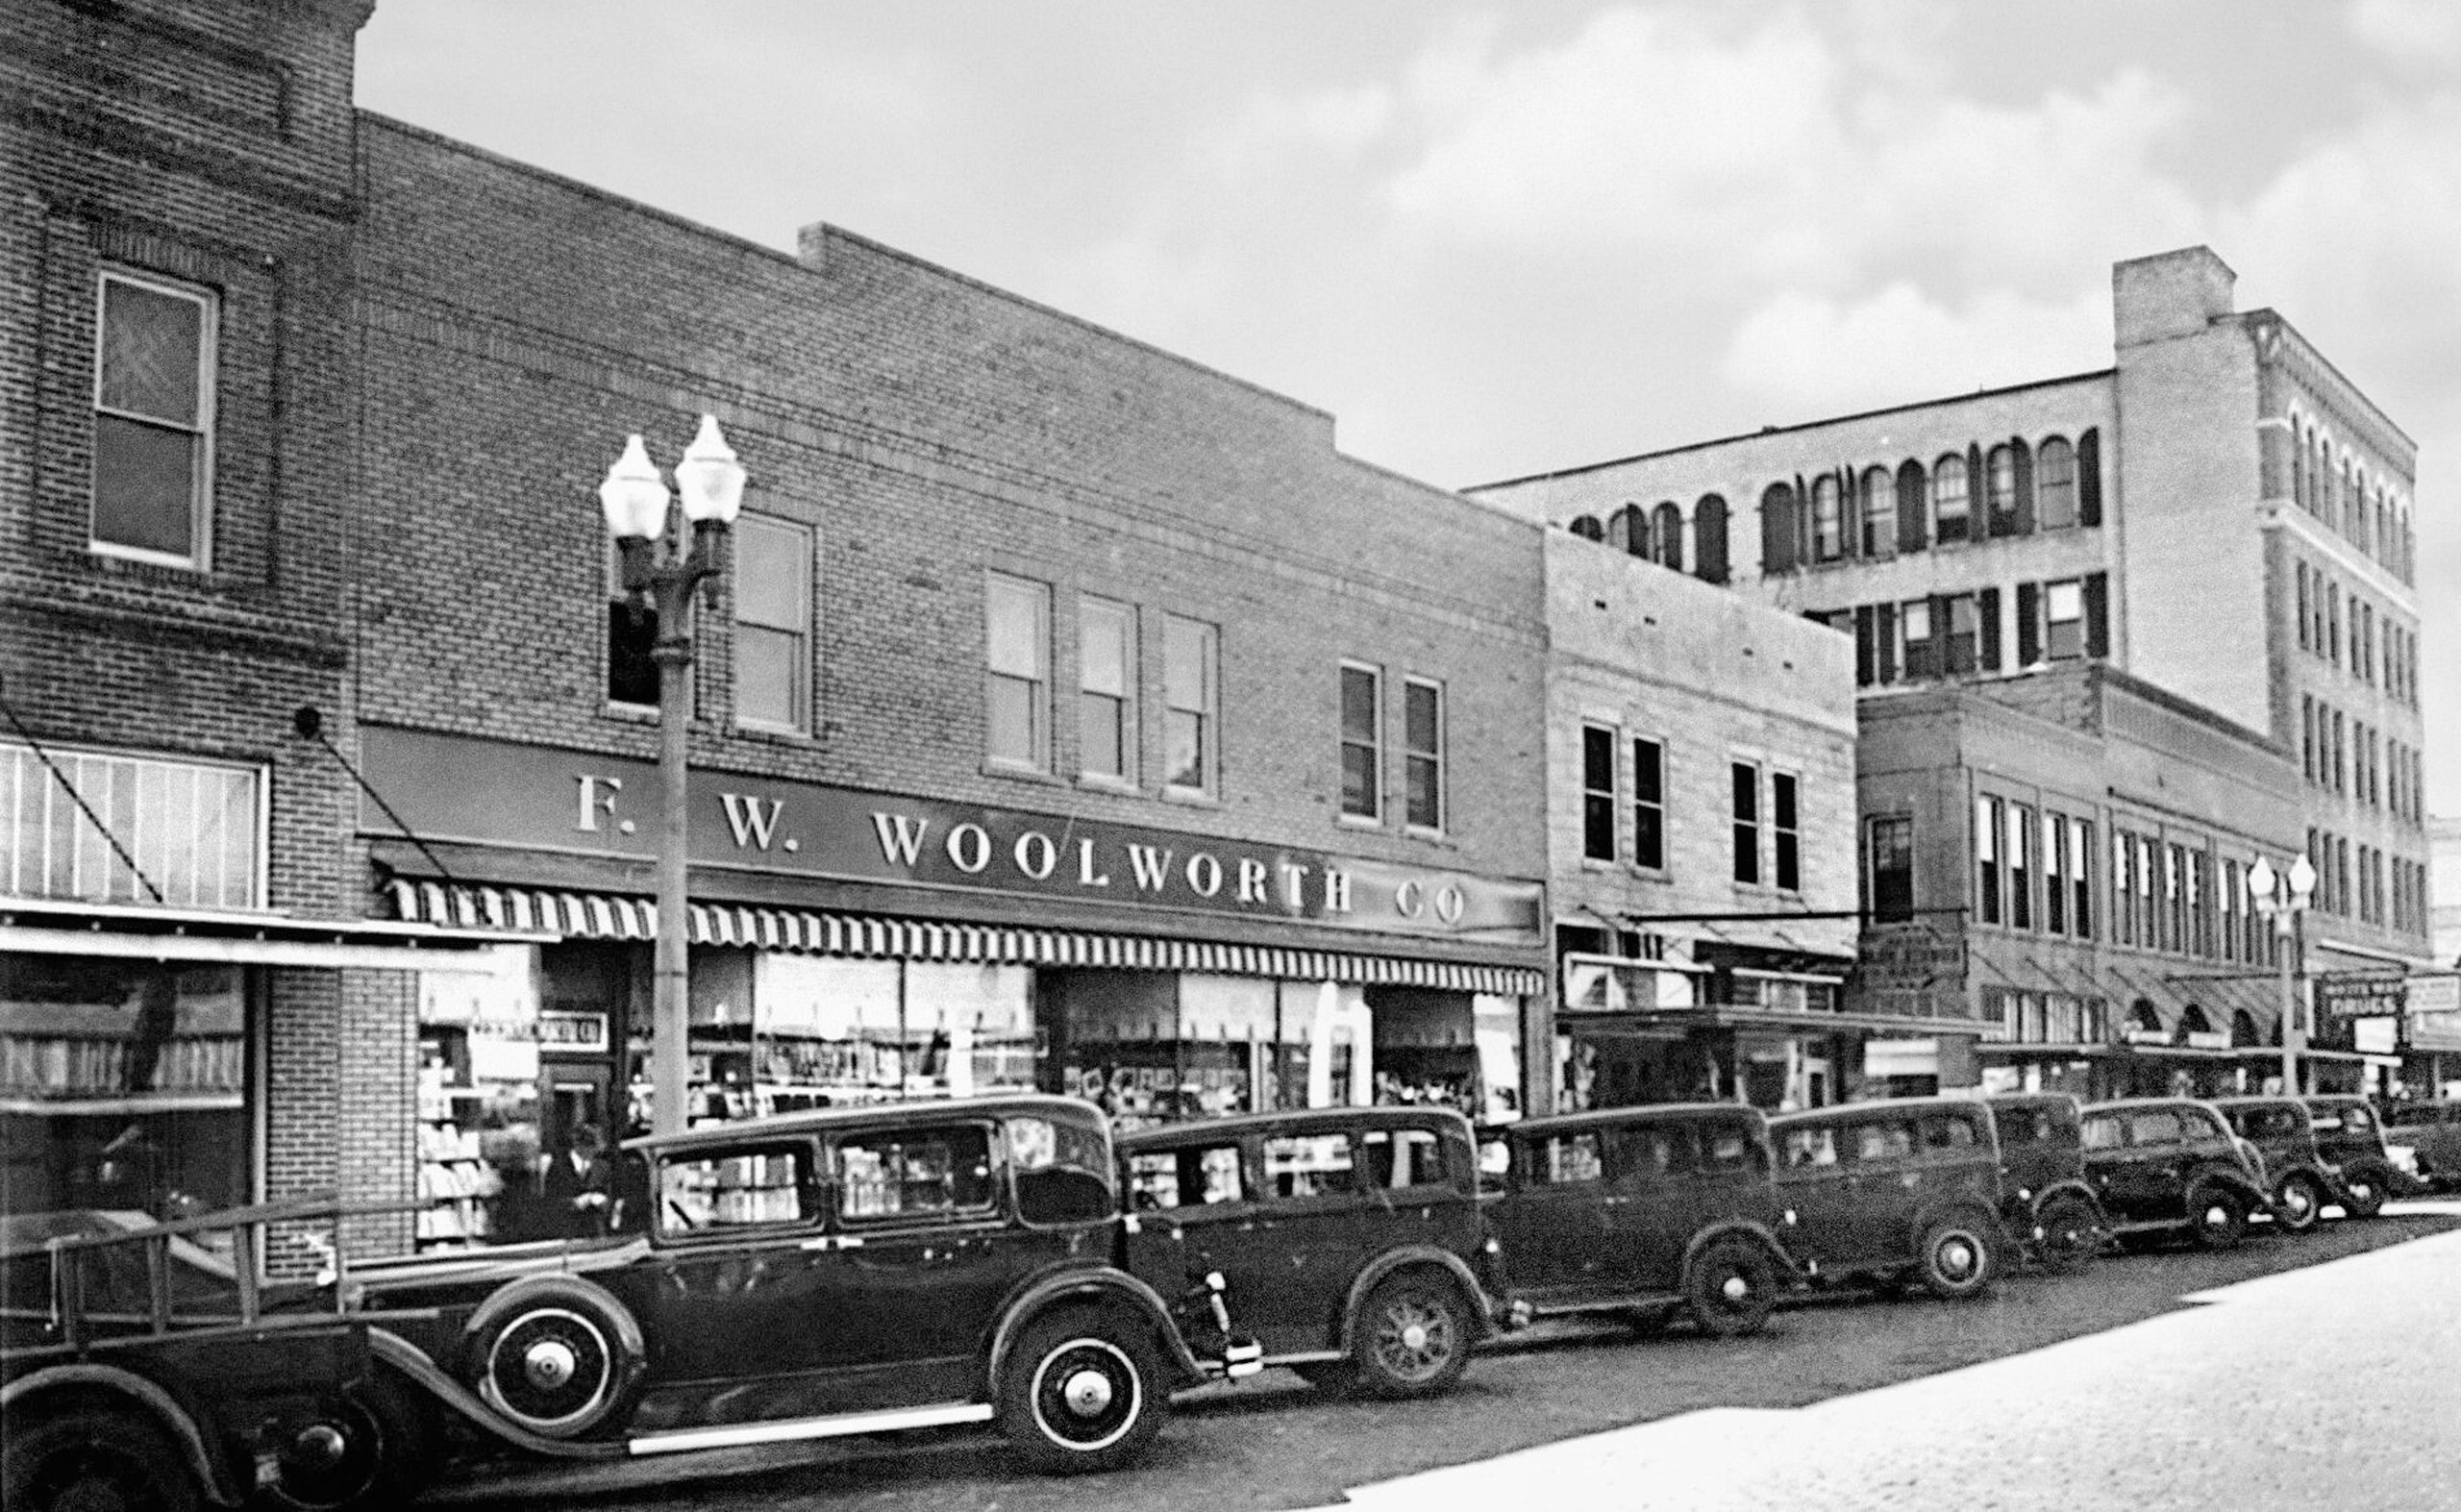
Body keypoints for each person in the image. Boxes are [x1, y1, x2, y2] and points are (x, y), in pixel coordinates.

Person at [539, 1124, 616, 1238]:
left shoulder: (602, 1167)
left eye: (596, 1148)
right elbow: (550, 1204)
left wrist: (605, 1203)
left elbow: (614, 1200)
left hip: (596, 1236)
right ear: (578, 1146)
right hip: (567, 1236)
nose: (595, 1152)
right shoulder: (558, 1167)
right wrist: (576, 1203)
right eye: (591, 1146)